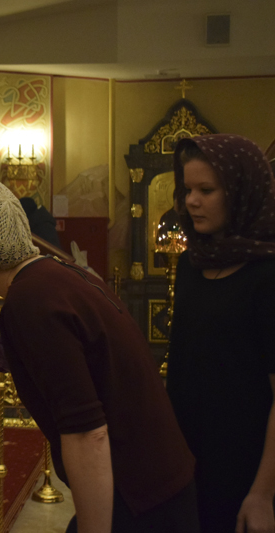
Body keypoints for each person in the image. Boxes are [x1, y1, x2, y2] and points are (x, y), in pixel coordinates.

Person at [0, 174, 199, 533]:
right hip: (158, 486)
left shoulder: (29, 301)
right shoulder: (54, 273)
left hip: (140, 502)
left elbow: (88, 434)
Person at [167, 134, 275, 533]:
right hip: (190, 464)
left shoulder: (267, 274)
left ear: (241, 192)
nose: (191, 201)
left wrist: (262, 494)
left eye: (206, 190)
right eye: (187, 190)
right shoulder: (191, 264)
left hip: (249, 468)